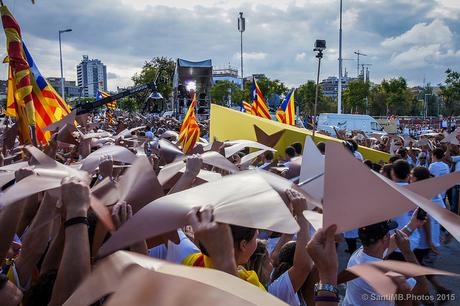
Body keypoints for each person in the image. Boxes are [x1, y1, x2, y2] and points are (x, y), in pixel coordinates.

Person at [343, 216, 429, 306]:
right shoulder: (394, 279)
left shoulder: (358, 255)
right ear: (385, 238)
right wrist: (407, 252)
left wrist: (412, 224)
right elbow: (422, 288)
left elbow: (392, 242)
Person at [410, 166, 451, 297]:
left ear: (415, 178)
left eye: (411, 175)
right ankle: (440, 290)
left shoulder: (420, 193)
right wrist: (447, 232)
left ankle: (428, 297)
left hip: (423, 240)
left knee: (417, 270)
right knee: (421, 269)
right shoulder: (433, 192)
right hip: (430, 238)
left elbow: (425, 219)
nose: (410, 178)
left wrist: (429, 241)